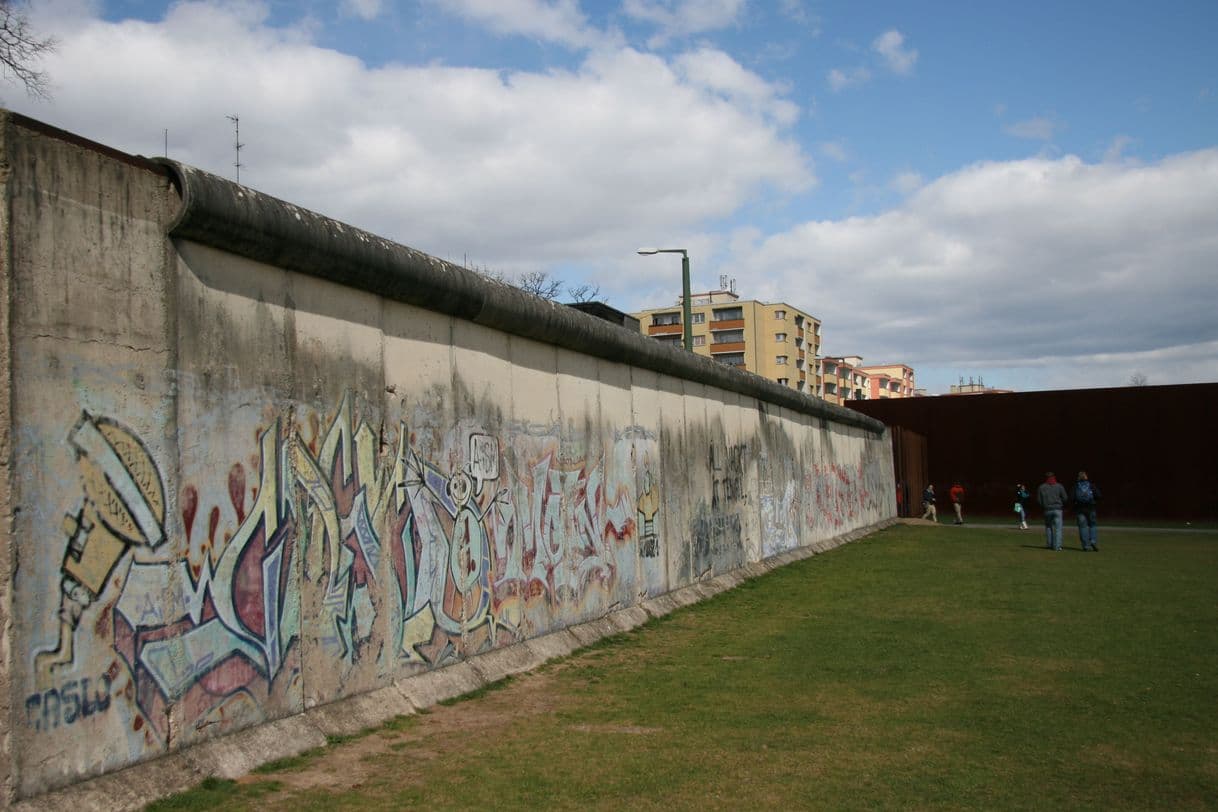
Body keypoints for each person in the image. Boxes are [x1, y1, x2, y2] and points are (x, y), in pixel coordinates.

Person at [1037, 471, 1068, 551]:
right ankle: (1057, 546)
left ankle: (1049, 544)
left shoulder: (1041, 487)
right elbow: (1065, 498)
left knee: (1048, 527)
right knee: (1058, 528)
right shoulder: (1059, 486)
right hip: (1058, 509)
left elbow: (1039, 500)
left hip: (1047, 509)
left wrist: (1044, 506)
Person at [1074, 470, 1101, 551]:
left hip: (1080, 509)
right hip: (1091, 508)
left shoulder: (1076, 486)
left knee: (1083, 527)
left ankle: (1086, 546)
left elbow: (1071, 497)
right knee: (1092, 525)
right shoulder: (1091, 485)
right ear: (1086, 477)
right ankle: (1093, 540)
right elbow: (1099, 495)